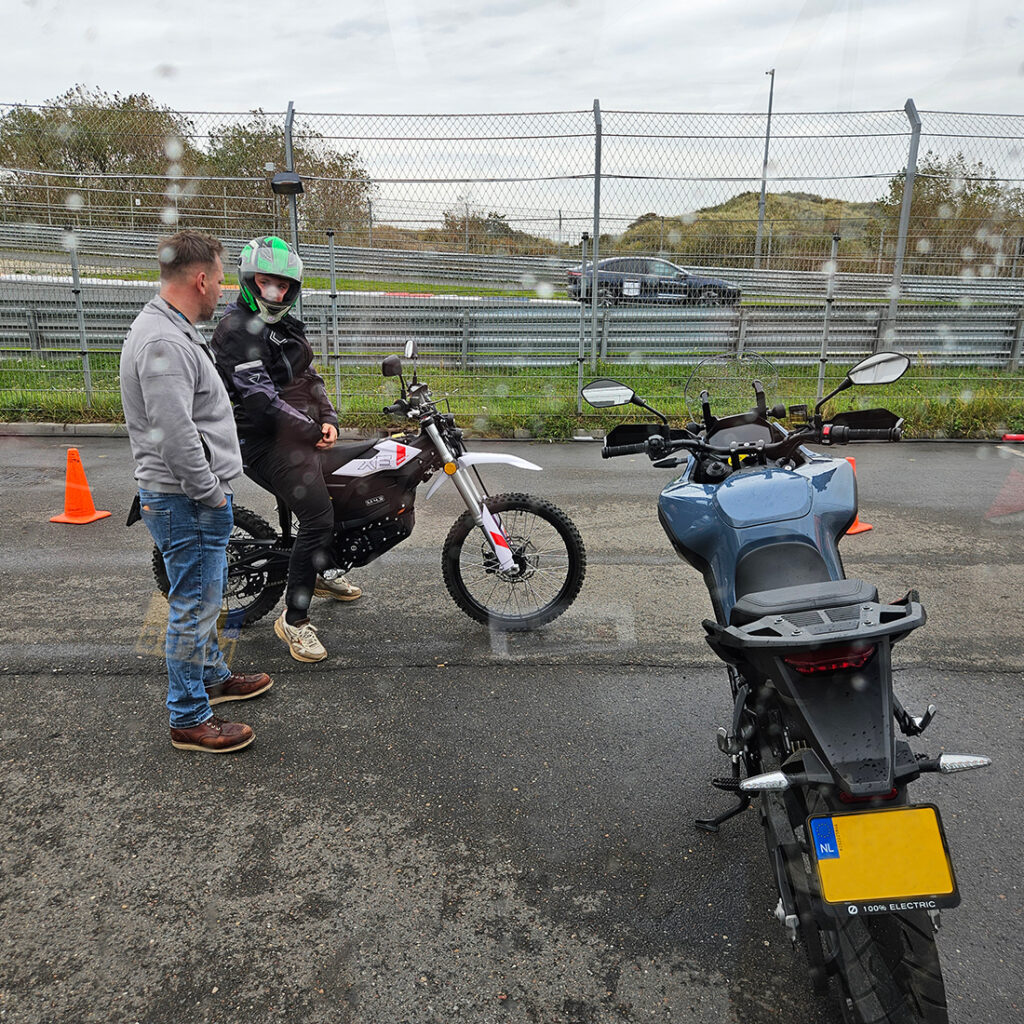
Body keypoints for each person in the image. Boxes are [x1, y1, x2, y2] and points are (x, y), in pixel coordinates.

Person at [120, 230, 273, 753]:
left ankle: (210, 676)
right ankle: (188, 717)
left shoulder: (170, 329)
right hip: (186, 500)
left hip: (187, 497)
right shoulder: (164, 340)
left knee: (203, 598)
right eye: (222, 277)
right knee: (192, 606)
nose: (224, 289)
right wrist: (210, 492)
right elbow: (175, 432)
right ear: (202, 278)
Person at [211, 235, 362, 664]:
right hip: (256, 440)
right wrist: (310, 430)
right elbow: (260, 402)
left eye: (283, 286)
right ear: (248, 282)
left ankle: (315, 570)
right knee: (317, 517)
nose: (274, 293)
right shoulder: (236, 330)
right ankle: (294, 622)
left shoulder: (284, 325)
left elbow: (307, 376)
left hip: (292, 432)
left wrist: (328, 419)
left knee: (336, 490)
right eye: (265, 283)